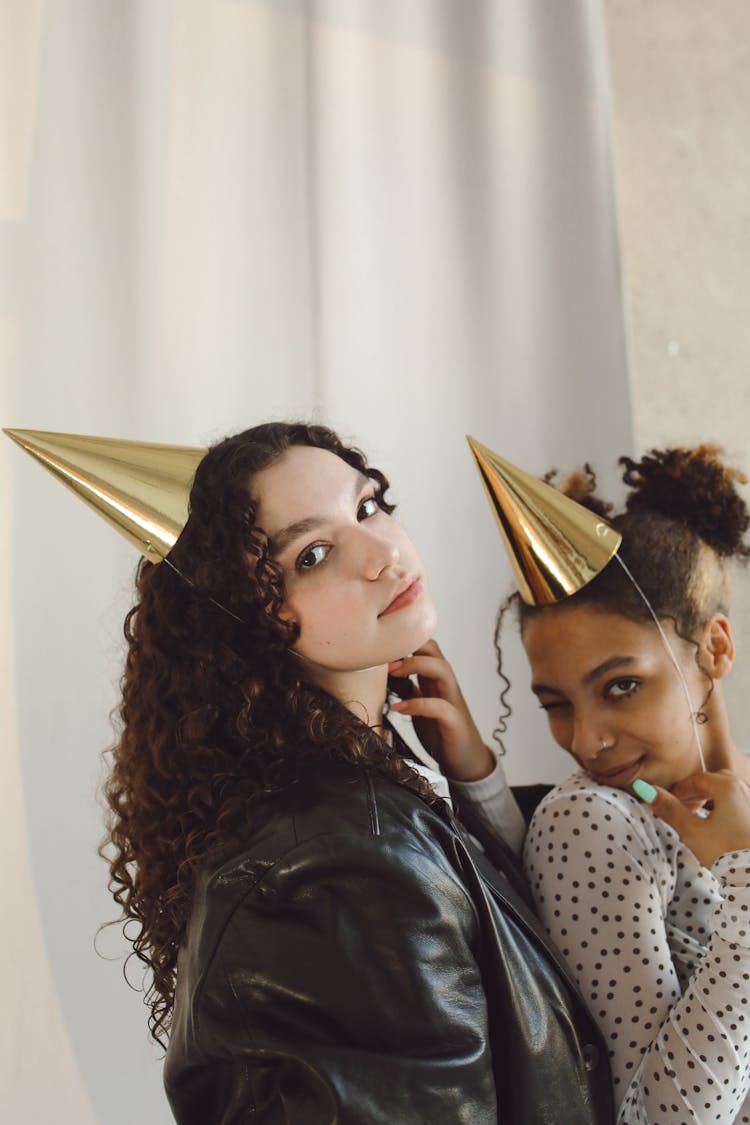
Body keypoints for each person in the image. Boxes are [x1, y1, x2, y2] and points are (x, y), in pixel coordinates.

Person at [91, 421, 616, 1124]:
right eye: (312, 554)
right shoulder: (342, 865)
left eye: (367, 506)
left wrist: (475, 781)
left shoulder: (360, 803)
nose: (380, 552)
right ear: (247, 623)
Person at [490, 444, 750, 1125]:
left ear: (715, 649)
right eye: (557, 702)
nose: (586, 739)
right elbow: (662, 1118)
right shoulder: (592, 823)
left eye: (621, 686)